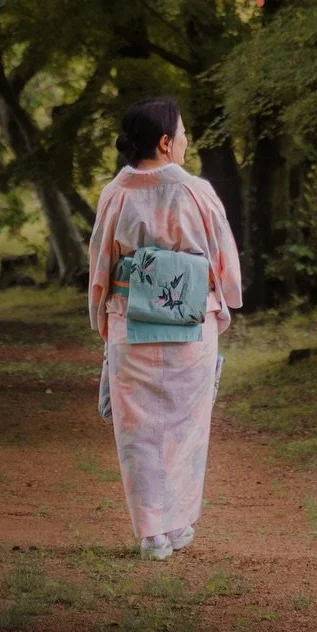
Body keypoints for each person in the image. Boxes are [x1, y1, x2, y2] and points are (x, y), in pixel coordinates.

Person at [88, 96, 243, 559]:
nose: (186, 141)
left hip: (129, 321)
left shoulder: (115, 194)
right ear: (164, 142)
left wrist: (103, 318)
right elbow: (224, 264)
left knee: (136, 432)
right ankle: (175, 524)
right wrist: (224, 303)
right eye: (181, 134)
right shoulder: (197, 192)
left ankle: (151, 532)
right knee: (185, 428)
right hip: (190, 322)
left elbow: (101, 266)